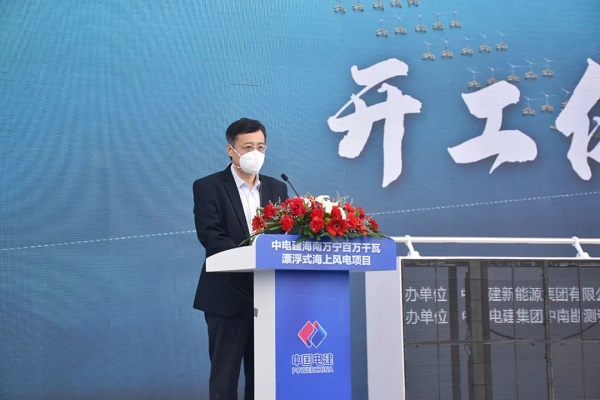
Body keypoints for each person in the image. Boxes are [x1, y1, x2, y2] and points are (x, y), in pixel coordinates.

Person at [192, 118, 288, 400]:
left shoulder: (277, 189)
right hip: (227, 295)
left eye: (261, 146)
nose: (255, 153)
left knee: (263, 377)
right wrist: (252, 255)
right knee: (225, 377)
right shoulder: (208, 186)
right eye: (248, 147)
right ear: (230, 150)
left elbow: (284, 236)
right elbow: (211, 236)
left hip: (267, 296)